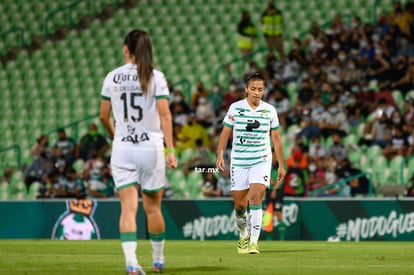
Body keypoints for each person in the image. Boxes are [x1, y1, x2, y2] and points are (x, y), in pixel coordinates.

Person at [99, 29, 177, 275]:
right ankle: (158, 260)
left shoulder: (112, 77)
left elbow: (103, 116)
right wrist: (171, 149)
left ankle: (131, 263)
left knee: (128, 208)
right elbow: (165, 114)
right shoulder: (156, 77)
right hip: (150, 148)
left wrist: (116, 135)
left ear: (125, 49)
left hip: (123, 148)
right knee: (153, 208)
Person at [216, 73, 285, 255]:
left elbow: (276, 138)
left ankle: (254, 242)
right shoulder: (235, 108)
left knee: (256, 197)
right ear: (246, 89)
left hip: (261, 159)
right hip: (239, 161)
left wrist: (281, 164)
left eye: (260, 89)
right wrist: (220, 154)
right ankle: (243, 233)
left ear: (264, 91)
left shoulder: (270, 110)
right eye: (253, 89)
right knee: (240, 206)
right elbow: (224, 133)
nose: (256, 93)